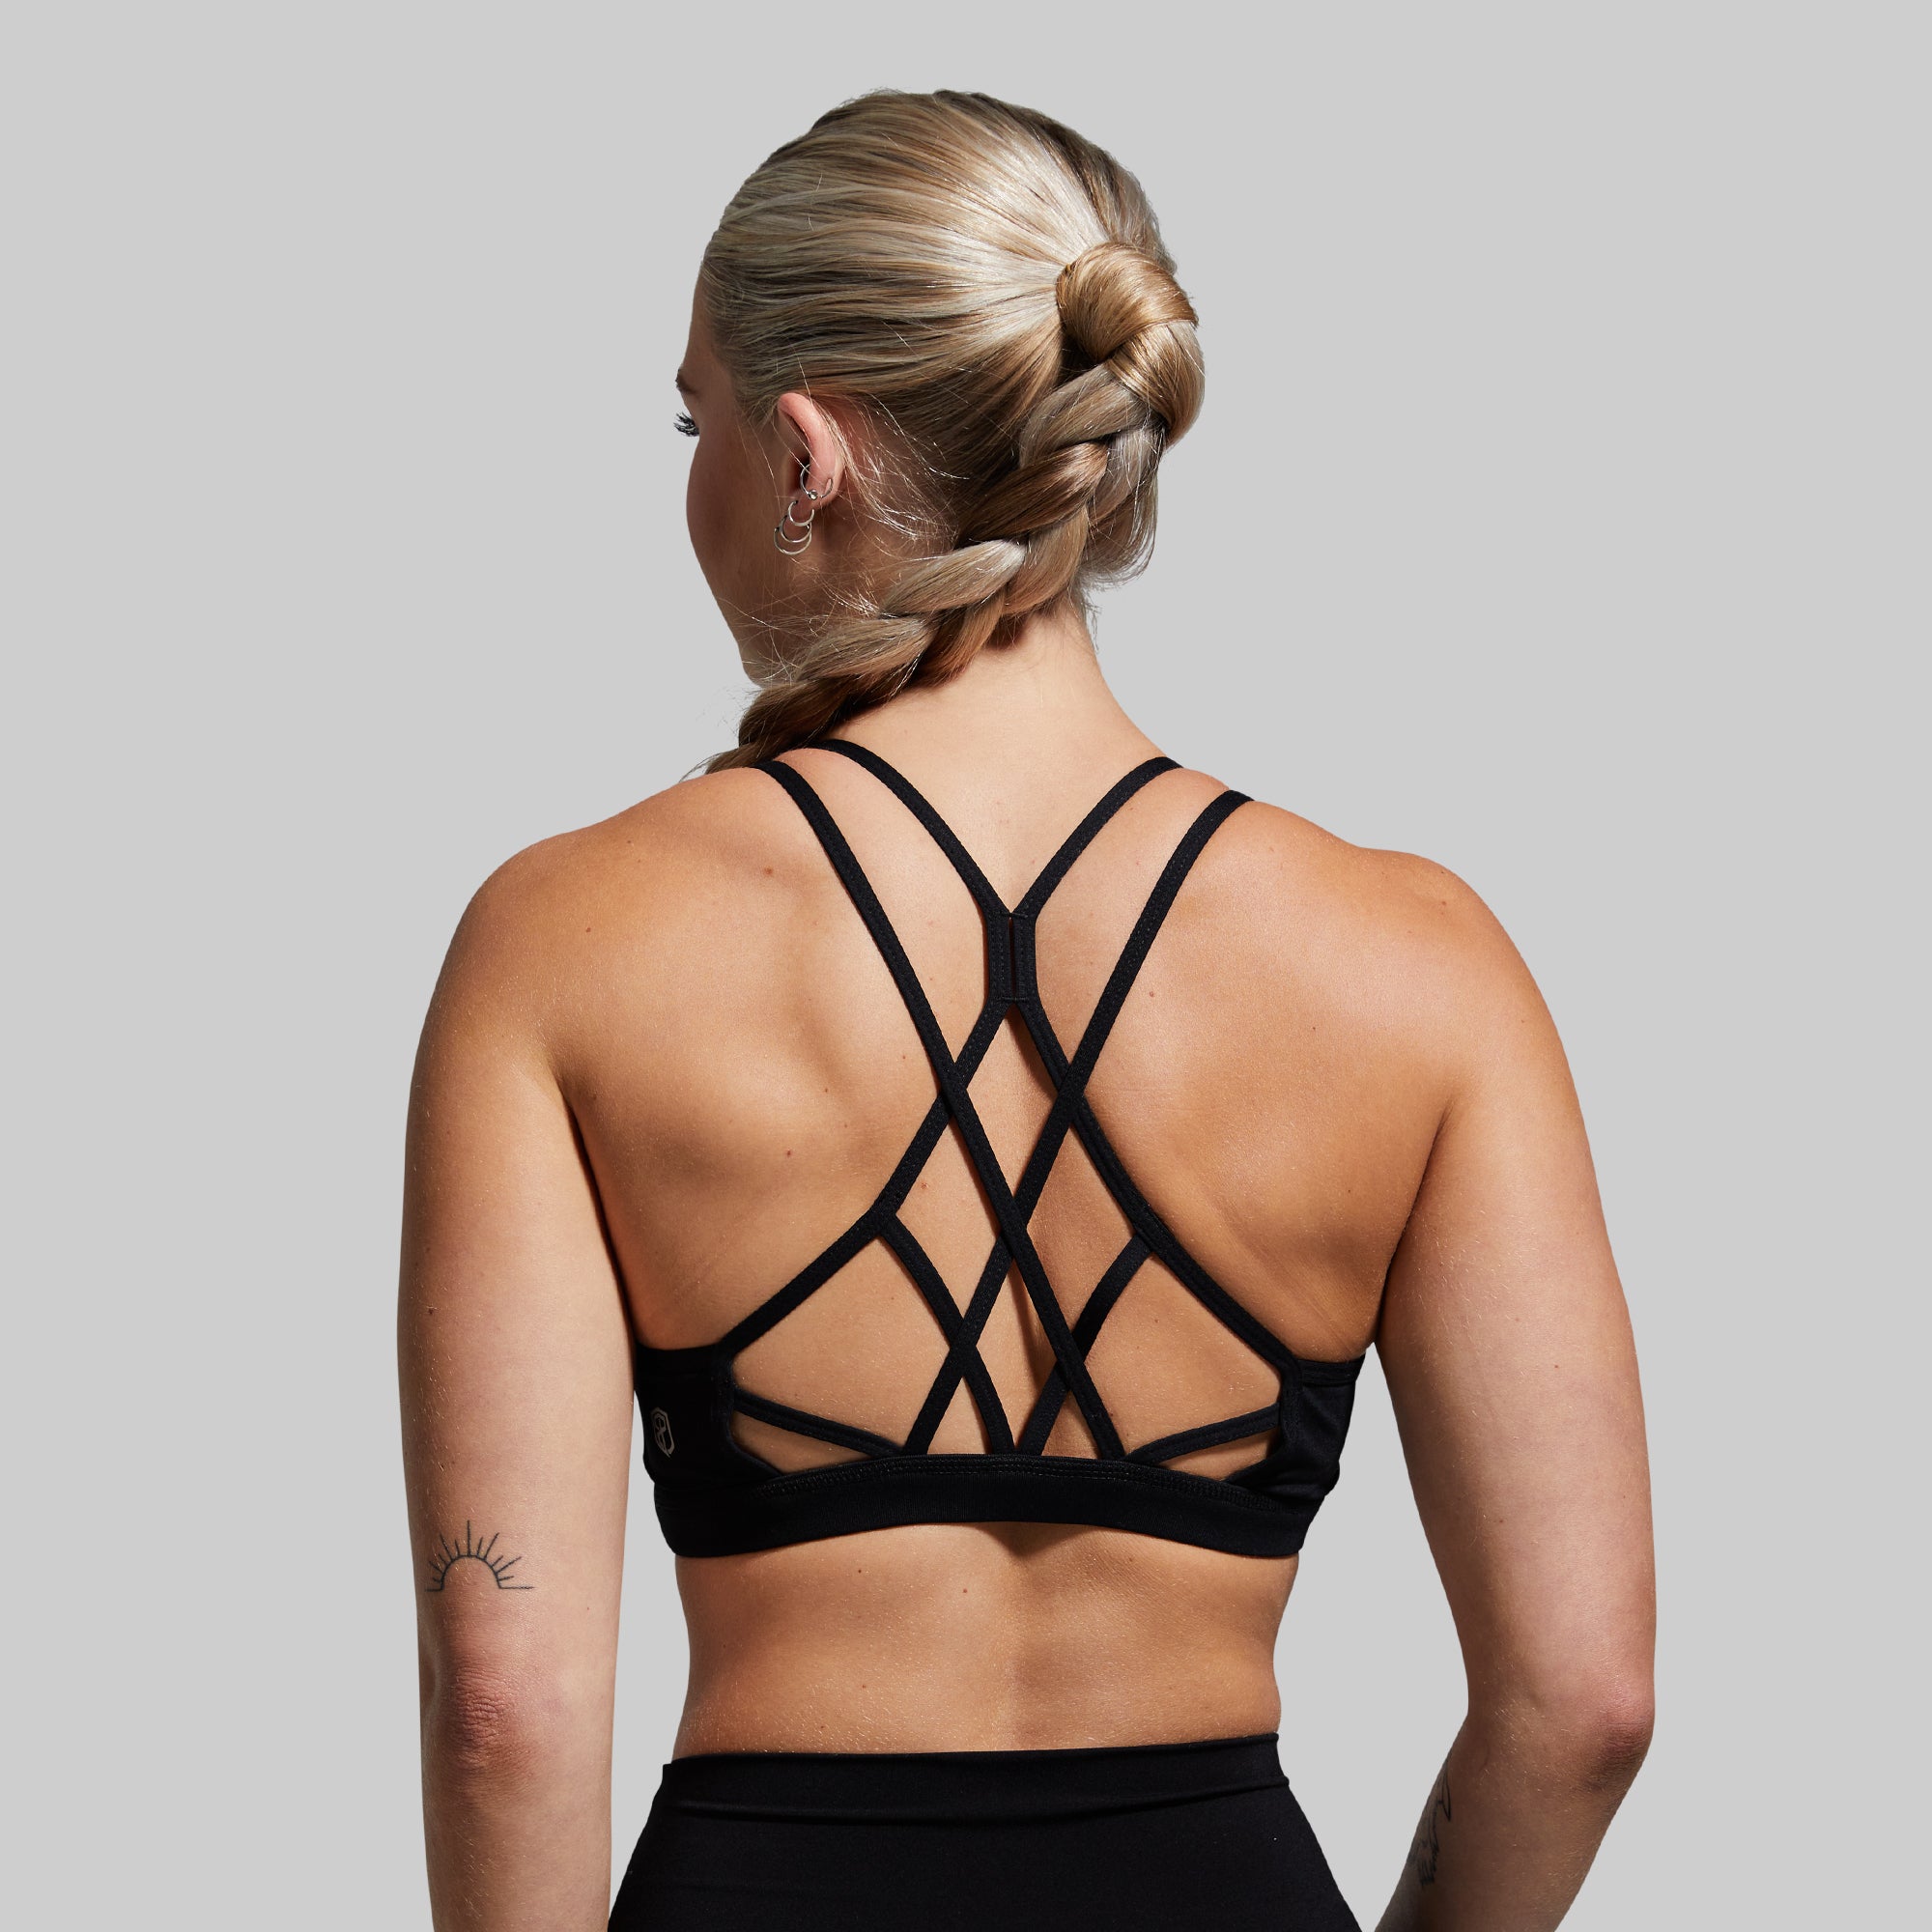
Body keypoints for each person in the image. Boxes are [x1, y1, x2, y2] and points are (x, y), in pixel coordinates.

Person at [397, 89, 1654, 1932]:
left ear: (804, 454)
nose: (692, 480)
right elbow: (1583, 1703)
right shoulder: (1419, 961)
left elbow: (503, 1711)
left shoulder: (566, 941)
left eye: (694, 419)